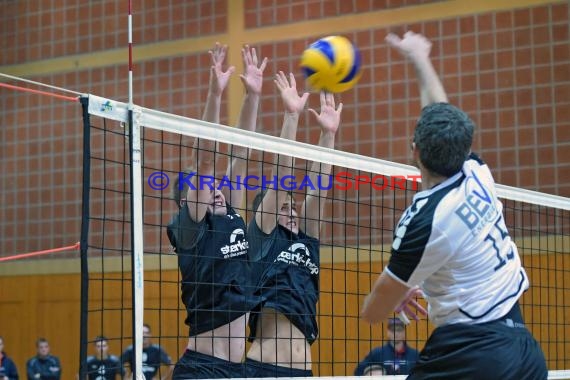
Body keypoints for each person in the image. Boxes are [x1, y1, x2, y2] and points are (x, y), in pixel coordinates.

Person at [361, 31, 548, 380]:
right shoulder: (477, 174)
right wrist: (420, 57)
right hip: (525, 348)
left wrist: (393, 293)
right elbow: (440, 109)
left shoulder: (423, 221)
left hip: (473, 352)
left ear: (414, 150)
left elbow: (373, 313)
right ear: (463, 149)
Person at [166, 43, 267, 379]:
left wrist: (252, 95)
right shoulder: (190, 230)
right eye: (207, 190)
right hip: (203, 370)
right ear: (188, 203)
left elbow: (241, 156)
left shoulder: (233, 215)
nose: (217, 193)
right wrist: (214, 94)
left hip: (238, 370)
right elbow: (204, 159)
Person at [245, 73, 342, 377]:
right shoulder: (262, 240)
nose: (292, 211)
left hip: (303, 372)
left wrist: (328, 136)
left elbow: (318, 189)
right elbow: (281, 178)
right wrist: (291, 117)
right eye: (283, 207)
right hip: (264, 369)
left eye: (293, 205)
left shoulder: (307, 241)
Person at [354, 318, 419, 376]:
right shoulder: (377, 353)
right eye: (392, 330)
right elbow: (358, 372)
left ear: (404, 332)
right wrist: (370, 373)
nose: (396, 333)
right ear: (388, 332)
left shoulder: (415, 355)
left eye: (399, 330)